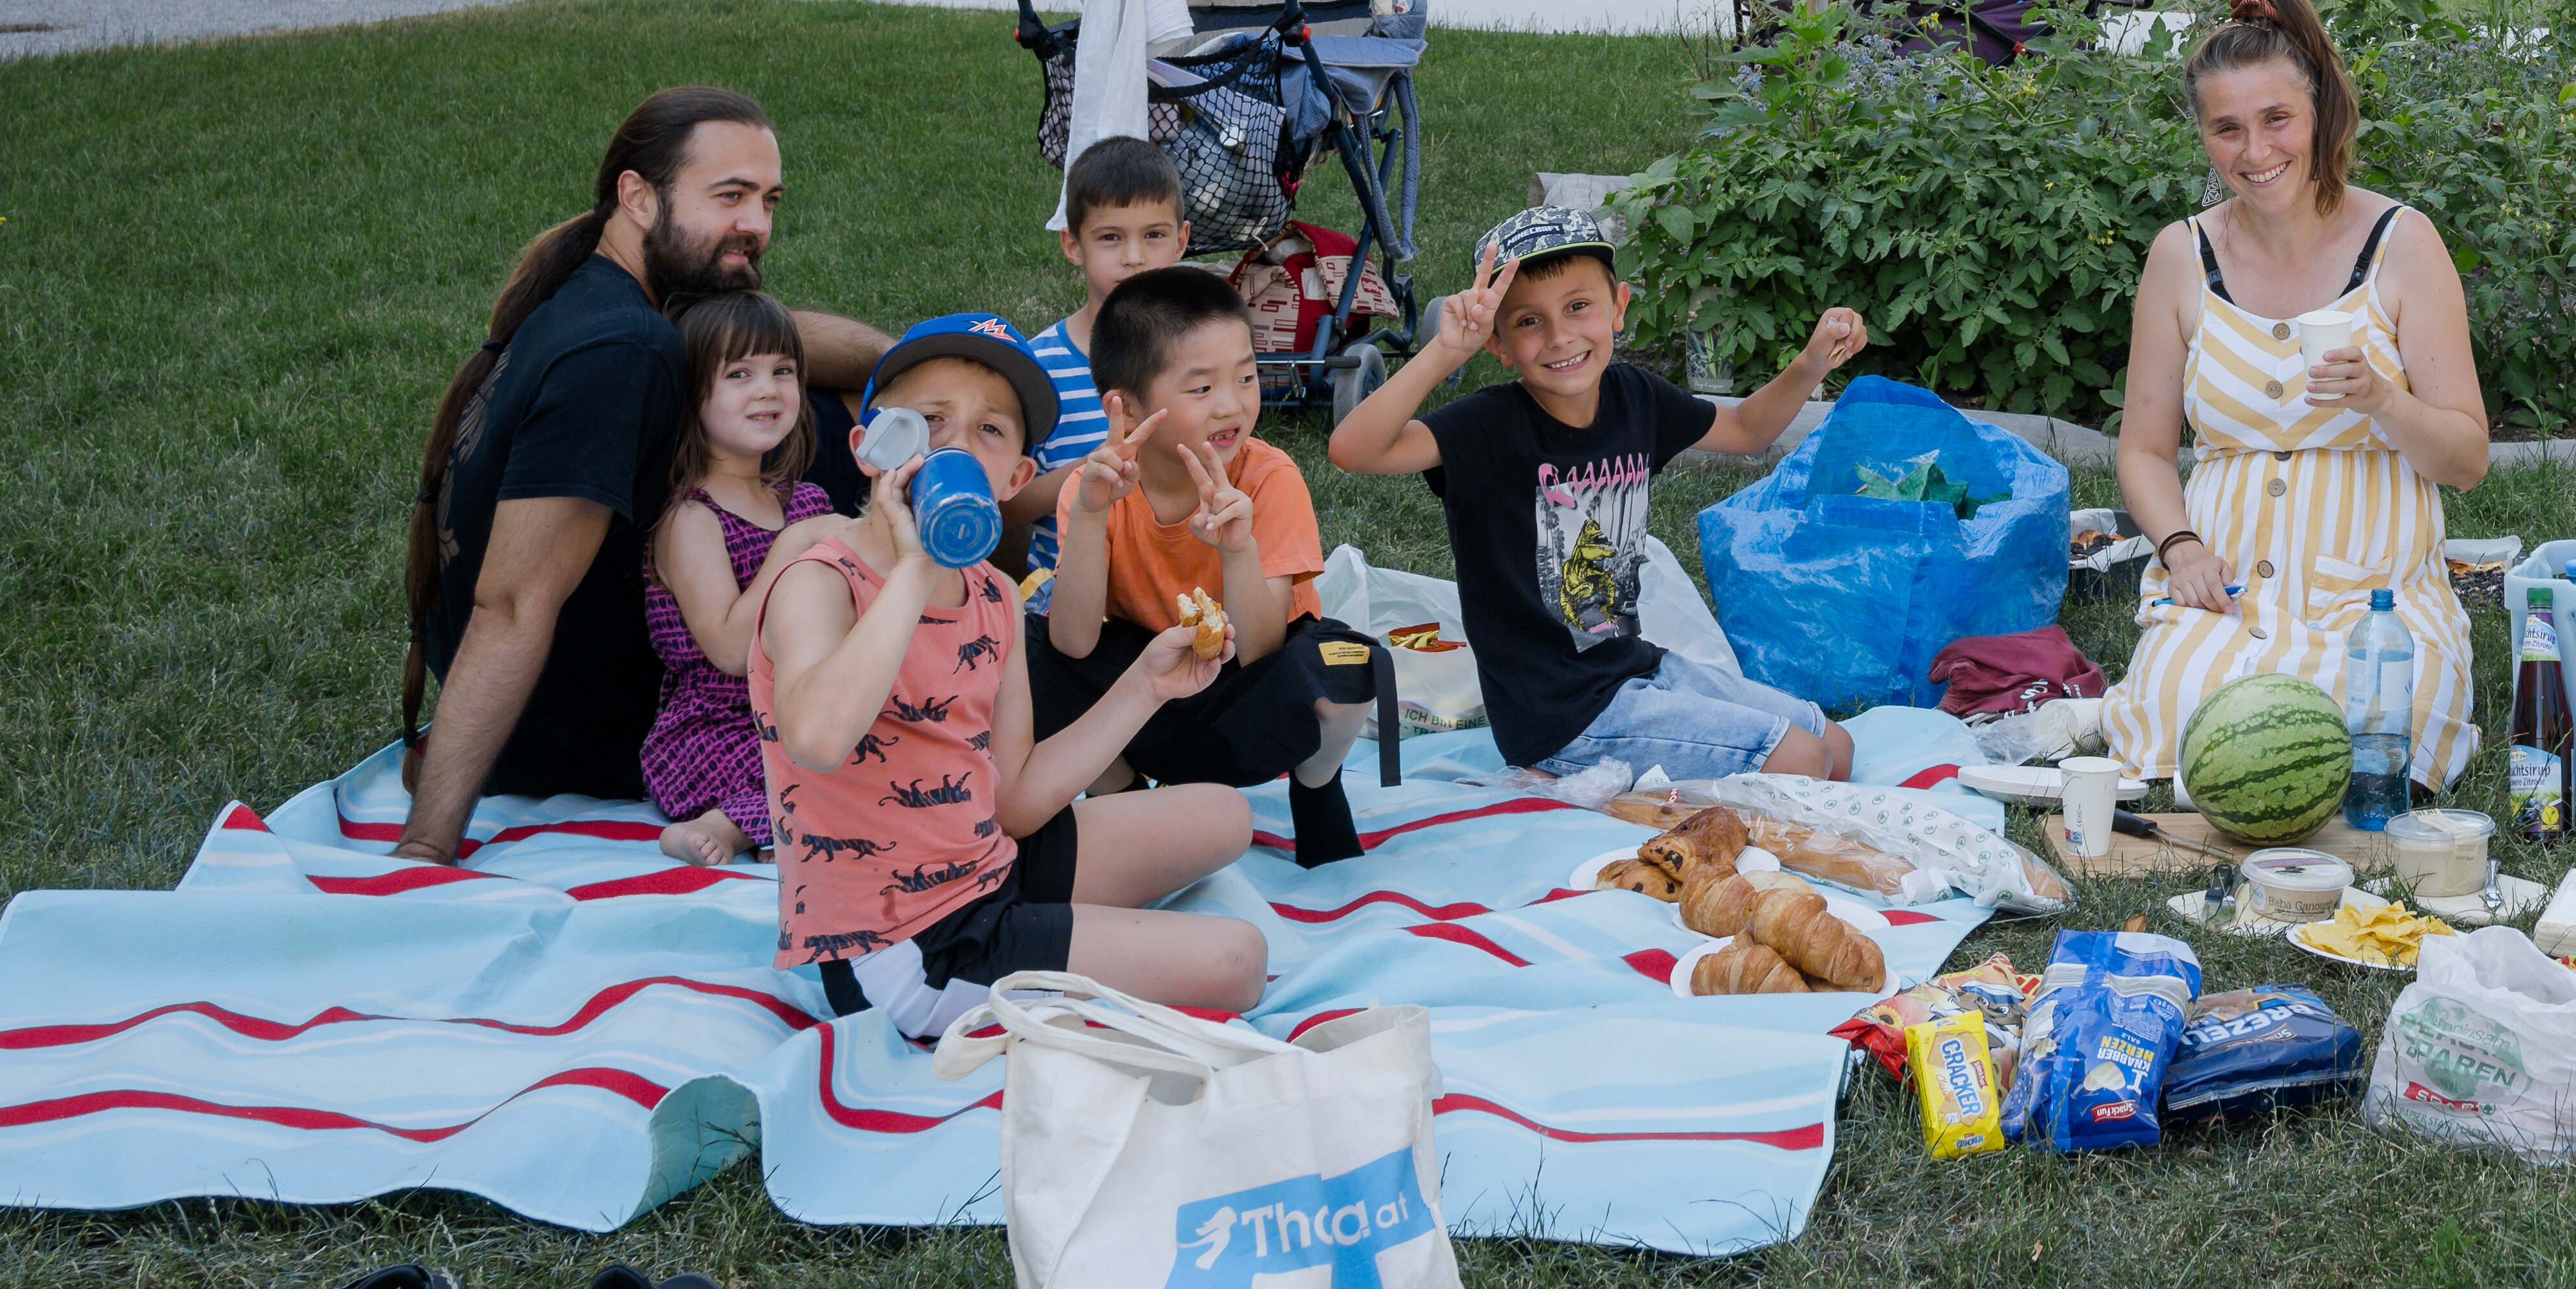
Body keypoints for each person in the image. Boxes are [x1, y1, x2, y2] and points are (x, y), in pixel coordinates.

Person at [751, 324, 1267, 1035]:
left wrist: (1146, 686)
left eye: (989, 429)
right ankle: (1045, 955)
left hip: (988, 861)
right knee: (1238, 959)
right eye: (931, 421)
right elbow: (815, 737)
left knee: (1226, 815)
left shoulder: (994, 592)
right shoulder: (818, 581)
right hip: (900, 946)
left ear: (1017, 479)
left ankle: (1055, 938)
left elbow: (1017, 798)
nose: (956, 444)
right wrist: (914, 565)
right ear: (870, 447)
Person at [400, 90, 824, 858]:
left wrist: (910, 357)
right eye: (729, 195)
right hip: (587, 741)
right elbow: (511, 602)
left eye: (768, 199)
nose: (757, 223)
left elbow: (767, 334)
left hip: (568, 709)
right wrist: (425, 848)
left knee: (805, 397)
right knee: (830, 447)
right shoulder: (618, 354)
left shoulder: (594, 292)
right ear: (637, 196)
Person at [2101, 0, 2496, 790]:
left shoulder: (2402, 243)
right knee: (2180, 719)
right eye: (2228, 129)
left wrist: (2384, 399)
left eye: (2276, 118)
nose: (2255, 151)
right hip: (2227, 587)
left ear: (2319, 112)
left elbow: (2465, 460)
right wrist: (2180, 549)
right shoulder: (2181, 256)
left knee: (2389, 729)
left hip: (2375, 598)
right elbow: (2143, 448)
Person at [1327, 205, 1870, 781]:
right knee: (1804, 762)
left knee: (1836, 748)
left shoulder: (1635, 397)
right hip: (1559, 716)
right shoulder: (1490, 428)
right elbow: (1353, 450)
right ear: (1499, 343)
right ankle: (1565, 780)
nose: (1560, 336)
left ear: (1619, 307)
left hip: (1634, 671)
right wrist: (1444, 351)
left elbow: (1746, 431)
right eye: (1529, 322)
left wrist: (1812, 363)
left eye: (1578, 307)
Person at [1039, 261, 1367, 861]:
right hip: (1147, 693)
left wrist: (1236, 549)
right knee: (1028, 653)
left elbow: (1263, 650)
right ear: (1128, 411)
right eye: (1201, 388)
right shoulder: (1092, 492)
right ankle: (1124, 796)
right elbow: (1076, 644)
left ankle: (1317, 783)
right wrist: (1089, 517)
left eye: (1245, 378)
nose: (1231, 406)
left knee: (1352, 664)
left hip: (1247, 700)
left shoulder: (1269, 477)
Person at [905, 132, 1187, 580]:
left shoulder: (1199, 361)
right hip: (1065, 597)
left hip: (1177, 583)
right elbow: (1005, 507)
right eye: (1111, 238)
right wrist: (1090, 470)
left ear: (1181, 241)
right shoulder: (1038, 369)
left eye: (1154, 235)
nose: (1135, 258)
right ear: (1073, 245)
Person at [637, 293, 831, 867]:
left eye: (783, 371)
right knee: (823, 764)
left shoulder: (806, 501)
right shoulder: (691, 519)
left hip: (798, 709)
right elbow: (725, 649)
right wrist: (794, 548)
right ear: (692, 396)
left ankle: (789, 828)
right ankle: (724, 826)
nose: (768, 389)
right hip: (716, 729)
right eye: (739, 374)